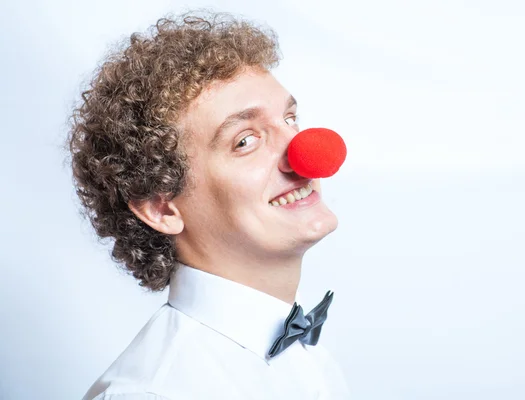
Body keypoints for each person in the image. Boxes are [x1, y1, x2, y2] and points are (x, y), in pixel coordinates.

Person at [67, 9, 350, 400]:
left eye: (290, 118)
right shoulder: (154, 394)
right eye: (245, 141)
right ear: (162, 208)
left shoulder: (309, 357)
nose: (303, 154)